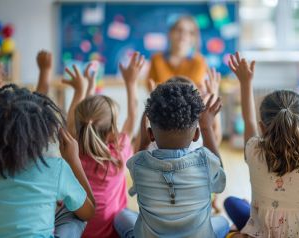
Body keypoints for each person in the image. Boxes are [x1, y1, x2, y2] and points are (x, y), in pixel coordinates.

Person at [224, 30, 299, 237]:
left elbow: (247, 120)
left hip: (263, 232)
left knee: (231, 203)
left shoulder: (253, 150)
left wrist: (245, 82)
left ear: (262, 127)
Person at [114, 82, 229, 238]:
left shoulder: (138, 164)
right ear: (196, 135)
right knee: (222, 221)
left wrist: (143, 141)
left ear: (150, 134)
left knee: (121, 216)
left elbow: (138, 155)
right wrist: (207, 128)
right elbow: (220, 183)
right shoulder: (206, 161)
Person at [63, 52, 144, 238]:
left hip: (80, 233)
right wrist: (131, 82)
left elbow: (74, 122)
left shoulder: (72, 151)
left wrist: (80, 90)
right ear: (112, 130)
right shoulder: (118, 152)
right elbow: (133, 117)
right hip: (112, 233)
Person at [0, 83, 96, 237]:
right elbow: (89, 212)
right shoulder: (55, 168)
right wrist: (73, 160)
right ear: (43, 130)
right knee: (72, 213)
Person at [147, 15, 207, 90]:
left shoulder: (199, 61)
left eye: (190, 32)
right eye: (179, 30)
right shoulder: (156, 59)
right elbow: (150, 87)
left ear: (194, 38)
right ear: (170, 33)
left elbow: (194, 90)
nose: (183, 35)